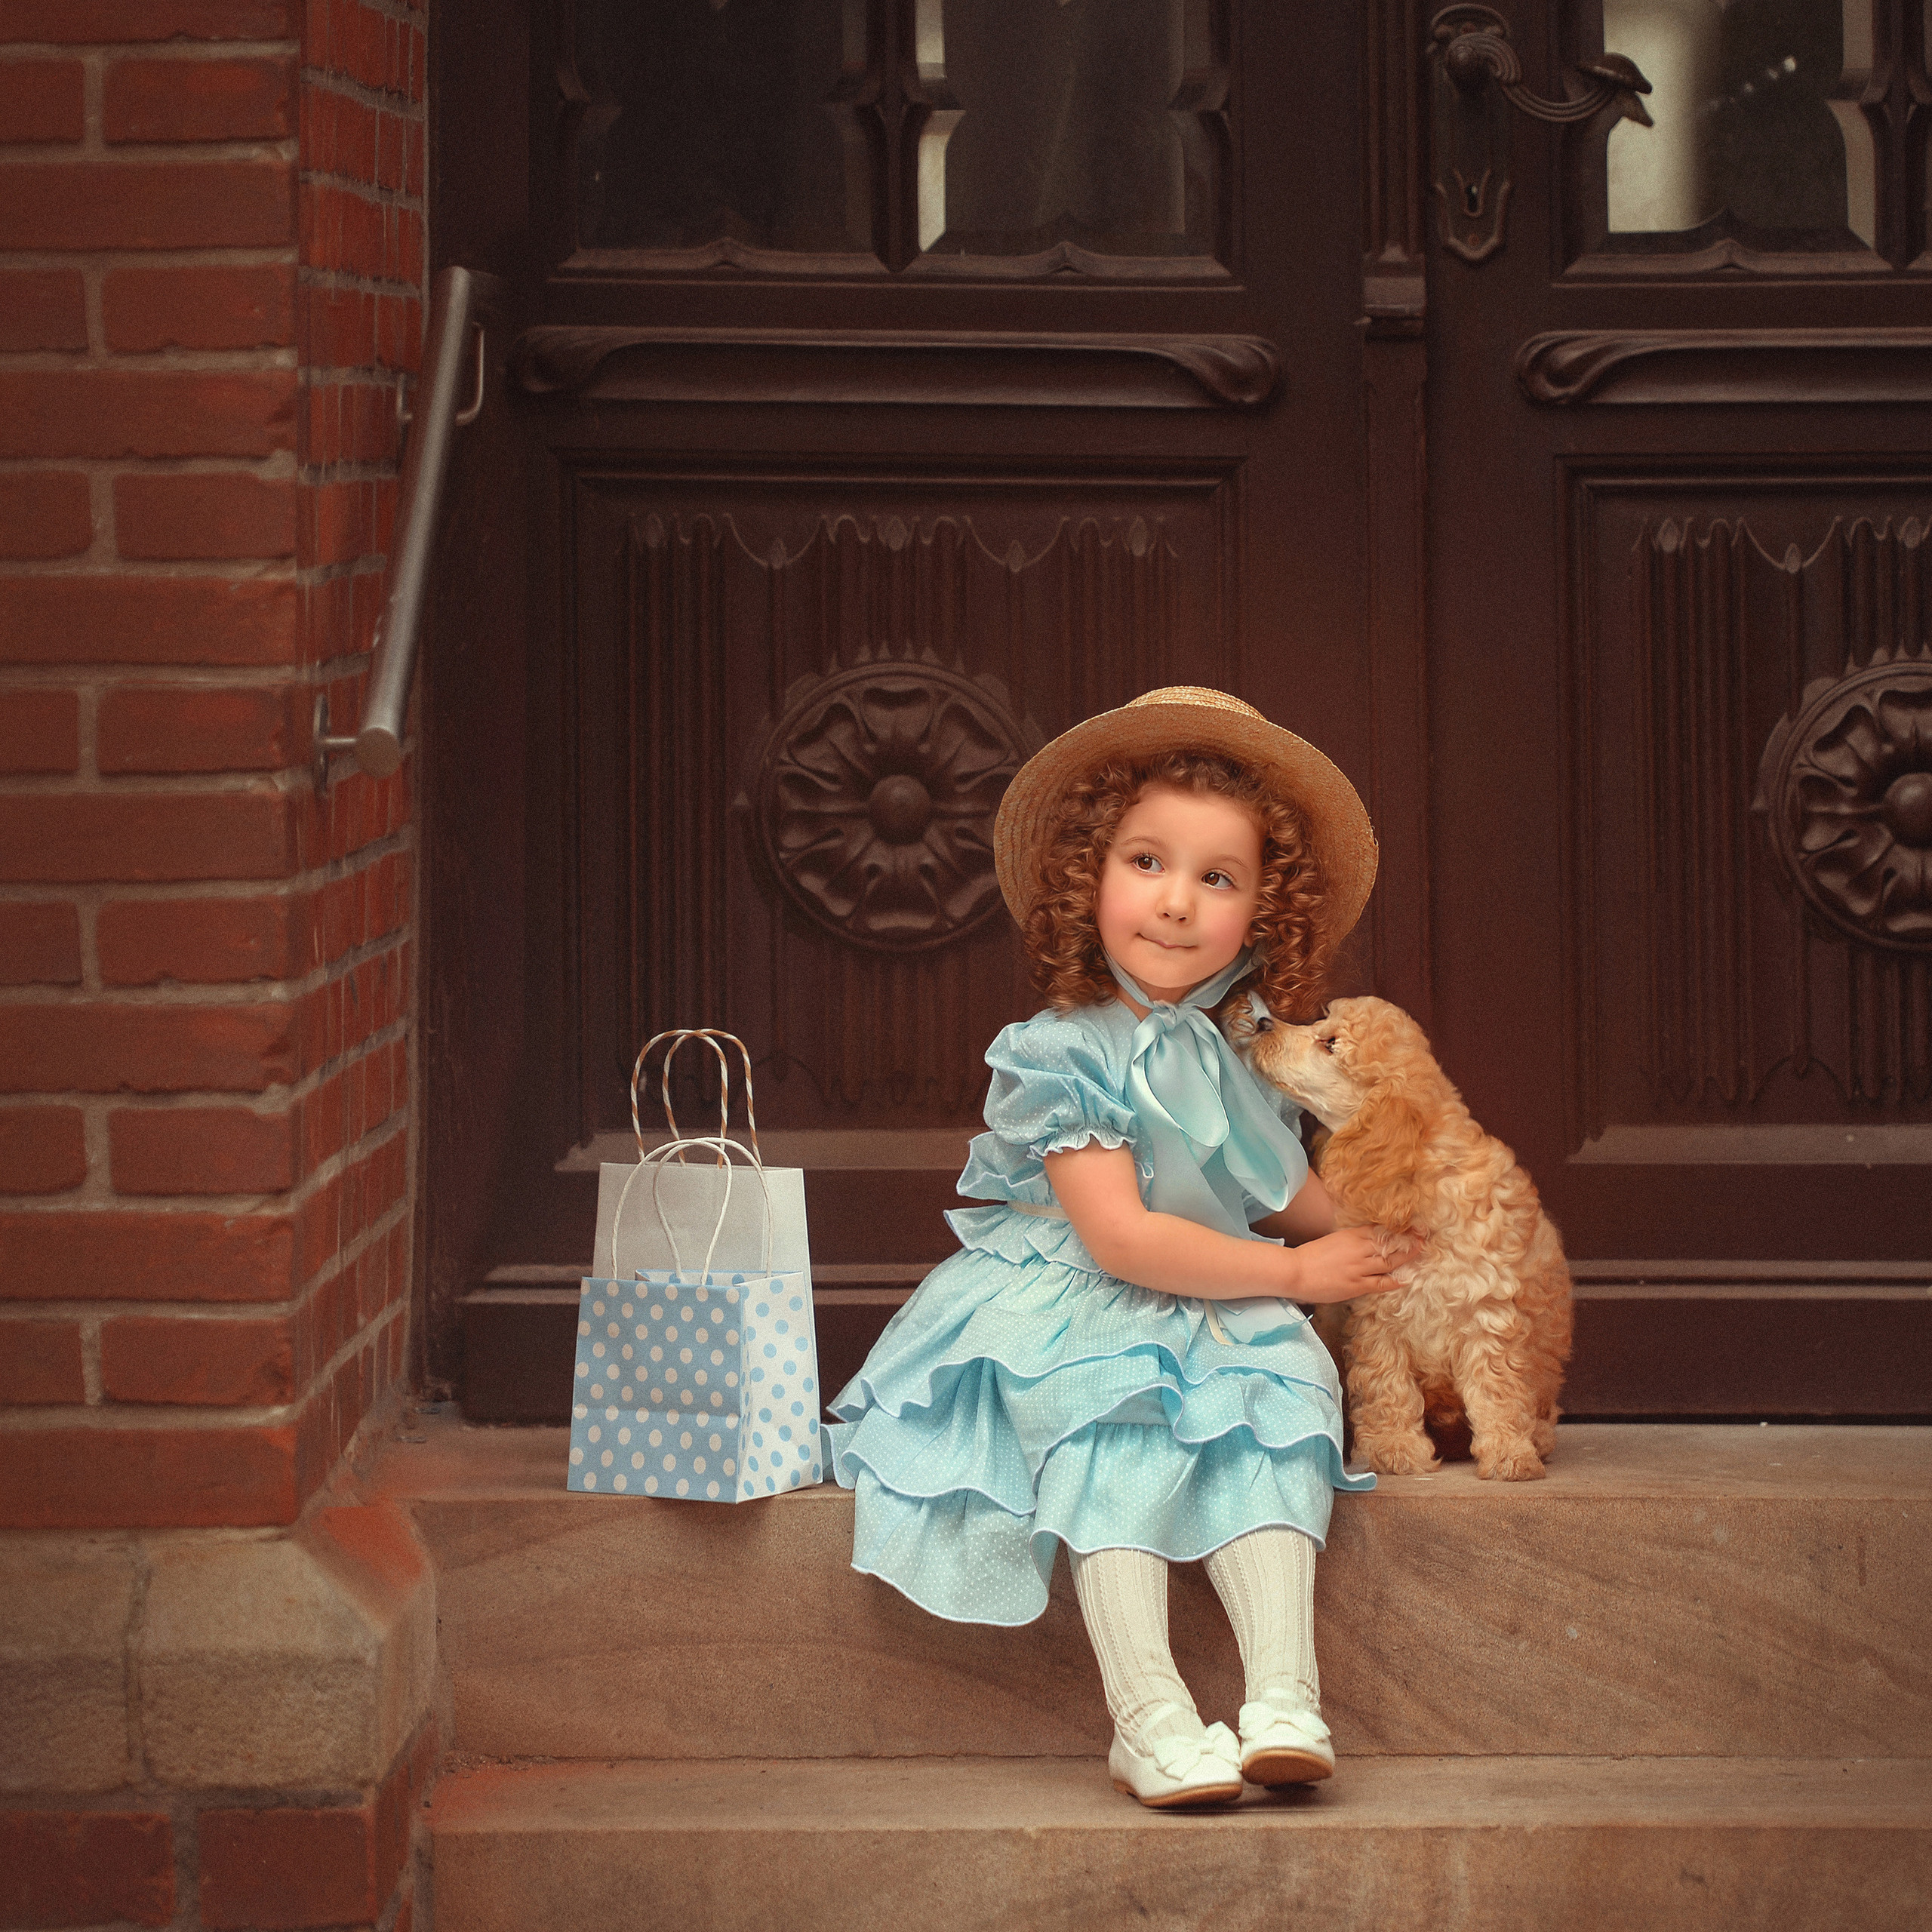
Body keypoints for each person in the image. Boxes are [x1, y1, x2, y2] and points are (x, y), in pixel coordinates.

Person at [827, 686, 1414, 1807]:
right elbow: (1120, 1235)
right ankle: (1146, 1714)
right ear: (1087, 879)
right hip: (1075, 1293)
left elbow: (1280, 1186)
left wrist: (1385, 1242)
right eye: (1147, 862)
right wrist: (1295, 1275)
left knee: (1289, 1390)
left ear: (1263, 913)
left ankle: (1284, 1696)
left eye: (1219, 878)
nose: (1179, 904)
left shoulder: (1244, 1049)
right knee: (1105, 1423)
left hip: (1211, 1284)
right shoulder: (1058, 1054)